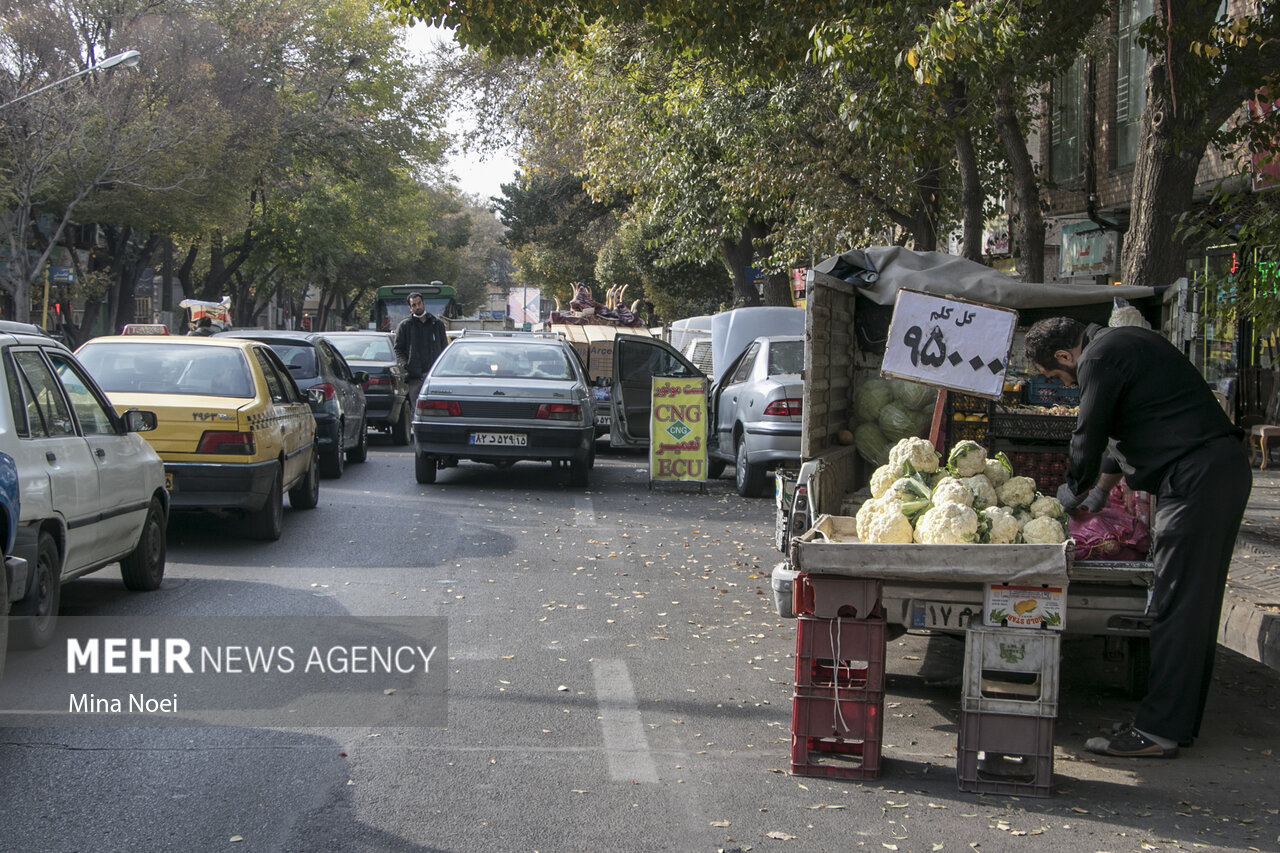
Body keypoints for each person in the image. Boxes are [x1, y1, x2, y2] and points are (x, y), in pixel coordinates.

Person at [1024, 317, 1251, 759]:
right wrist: (1101, 492)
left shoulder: (1099, 358)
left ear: (1066, 356)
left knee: (1174, 605)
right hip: (1215, 471)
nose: (1066, 386)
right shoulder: (1122, 344)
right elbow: (1115, 436)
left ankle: (1158, 732)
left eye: (1058, 377)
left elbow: (1088, 434)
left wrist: (1065, 497)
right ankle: (1176, 725)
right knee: (1194, 606)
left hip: (1197, 477)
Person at [393, 291, 448, 402]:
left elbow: (444, 348)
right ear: (410, 308)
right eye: (414, 305)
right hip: (415, 377)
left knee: (434, 408)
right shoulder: (405, 326)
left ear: (423, 304)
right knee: (416, 408)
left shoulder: (436, 324)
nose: (417, 307)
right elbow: (398, 349)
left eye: (419, 303)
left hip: (434, 375)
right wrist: (407, 365)